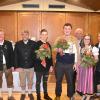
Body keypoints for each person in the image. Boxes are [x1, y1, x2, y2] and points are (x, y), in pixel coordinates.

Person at [54, 23, 78, 100]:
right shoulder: (58, 38)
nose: (67, 30)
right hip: (59, 63)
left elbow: (77, 52)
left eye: (68, 29)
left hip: (70, 64)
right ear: (63, 29)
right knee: (58, 80)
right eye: (65, 28)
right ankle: (58, 95)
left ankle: (70, 95)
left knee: (70, 81)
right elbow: (54, 49)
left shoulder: (74, 39)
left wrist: (75, 63)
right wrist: (58, 49)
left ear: (71, 30)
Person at [14, 30, 36, 100]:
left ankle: (29, 93)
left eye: (26, 34)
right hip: (21, 67)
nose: (24, 36)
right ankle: (23, 93)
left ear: (28, 35)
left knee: (30, 81)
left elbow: (36, 55)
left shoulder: (33, 43)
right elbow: (15, 56)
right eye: (23, 34)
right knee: (22, 81)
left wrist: (35, 66)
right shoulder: (18, 43)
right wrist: (16, 67)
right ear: (22, 35)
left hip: (31, 66)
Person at [76, 34, 99, 100]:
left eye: (88, 39)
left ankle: (88, 95)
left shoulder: (93, 48)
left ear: (90, 40)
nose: (86, 40)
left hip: (89, 68)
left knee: (88, 81)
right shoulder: (81, 48)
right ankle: (84, 94)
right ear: (83, 40)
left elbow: (96, 59)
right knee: (82, 81)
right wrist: (78, 66)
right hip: (82, 68)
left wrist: (90, 62)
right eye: (85, 39)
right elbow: (80, 58)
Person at [34, 29, 53, 100]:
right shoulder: (36, 44)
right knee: (38, 82)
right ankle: (38, 96)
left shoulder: (48, 45)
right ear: (40, 35)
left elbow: (50, 57)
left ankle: (45, 94)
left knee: (45, 81)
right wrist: (40, 53)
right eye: (43, 34)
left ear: (47, 36)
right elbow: (34, 55)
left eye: (46, 34)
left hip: (46, 67)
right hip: (39, 67)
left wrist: (51, 66)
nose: (44, 36)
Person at [0, 29, 15, 100]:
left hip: (7, 65)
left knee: (10, 80)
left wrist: (12, 65)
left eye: (2, 34)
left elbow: (12, 55)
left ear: (4, 35)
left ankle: (10, 96)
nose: (1, 36)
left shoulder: (8, 43)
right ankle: (0, 96)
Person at [90, 33, 100, 99]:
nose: (99, 37)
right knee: (97, 80)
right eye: (99, 36)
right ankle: (98, 94)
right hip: (97, 66)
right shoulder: (96, 45)